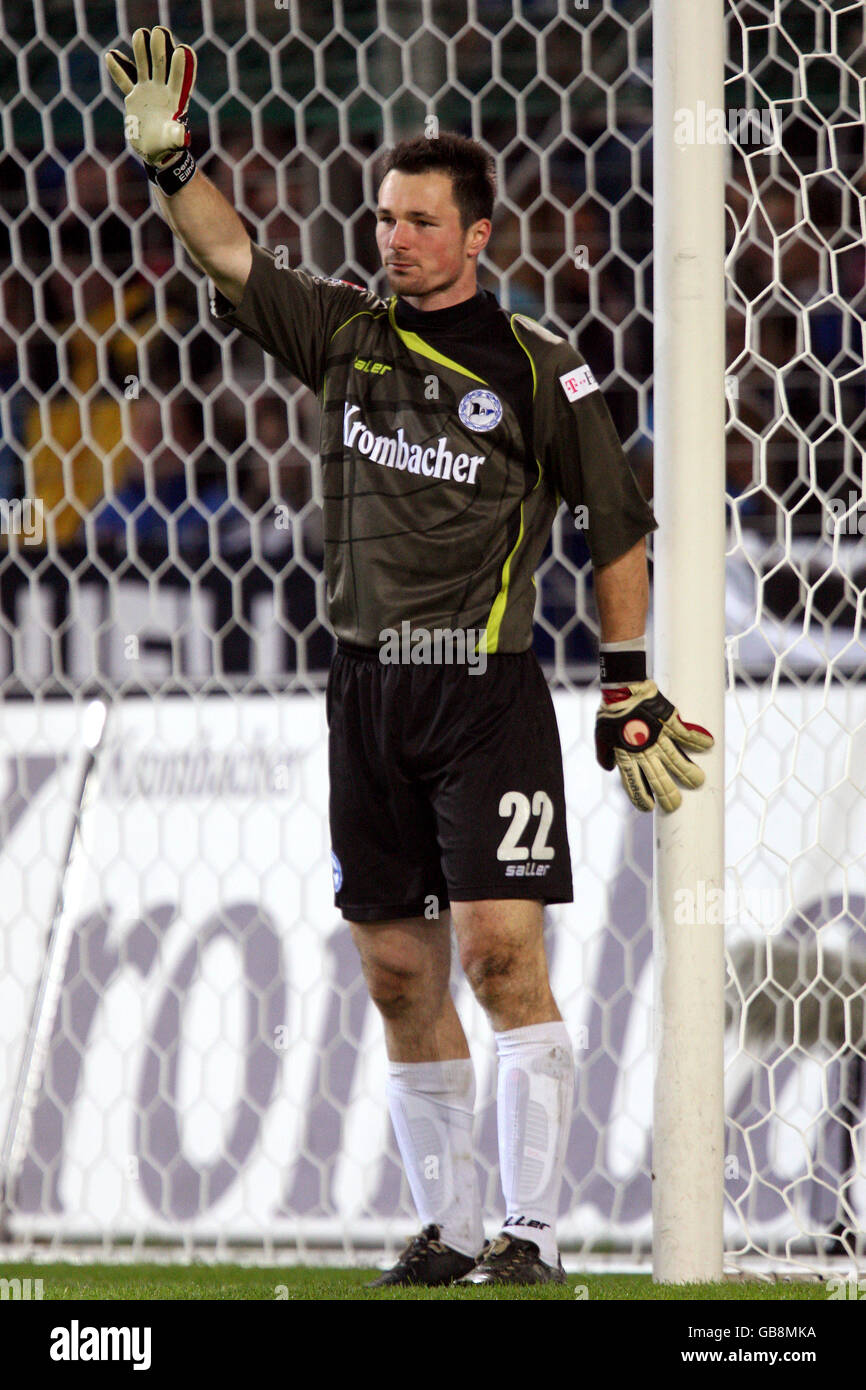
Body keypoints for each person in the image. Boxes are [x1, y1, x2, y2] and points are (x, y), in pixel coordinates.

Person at [106, 26, 714, 1286]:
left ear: (476, 235)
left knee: (500, 956)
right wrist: (170, 163)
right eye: (383, 218)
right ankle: (447, 1228)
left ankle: (533, 1235)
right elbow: (230, 253)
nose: (392, 238)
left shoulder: (540, 365)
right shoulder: (345, 331)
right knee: (393, 971)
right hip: (363, 687)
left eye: (419, 222)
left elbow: (613, 528)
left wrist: (625, 679)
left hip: (482, 690)